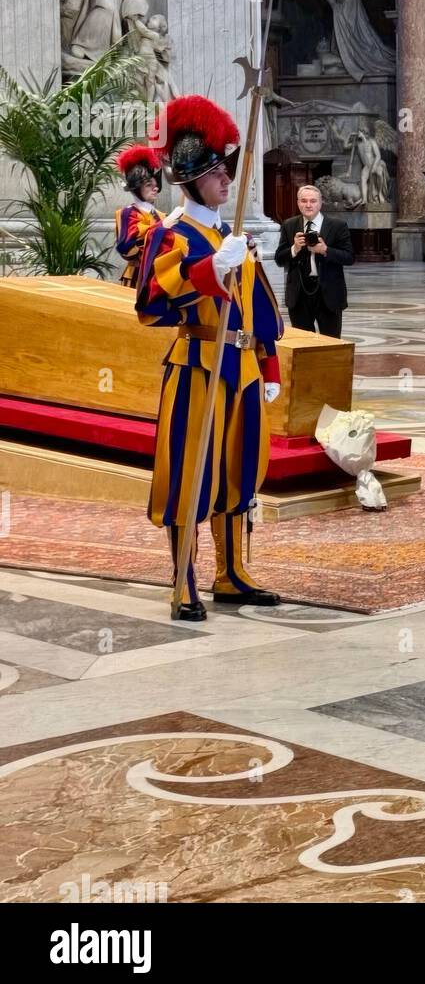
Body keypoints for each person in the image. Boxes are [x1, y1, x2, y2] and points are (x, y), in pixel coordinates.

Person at [135, 95, 284, 621]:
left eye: (227, 171)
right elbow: (152, 303)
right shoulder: (170, 234)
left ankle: (231, 573)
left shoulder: (231, 235)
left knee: (237, 469)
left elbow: (258, 311)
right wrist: (208, 271)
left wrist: (268, 367)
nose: (227, 181)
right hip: (196, 364)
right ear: (194, 179)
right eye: (218, 172)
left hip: (240, 368)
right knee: (188, 471)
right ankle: (183, 582)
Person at [274, 184, 354, 338]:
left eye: (313, 201)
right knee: (303, 343)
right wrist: (294, 249)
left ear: (320, 203)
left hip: (329, 294)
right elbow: (279, 259)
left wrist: (325, 250)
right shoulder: (289, 225)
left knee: (331, 343)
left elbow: (349, 257)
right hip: (299, 294)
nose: (308, 205)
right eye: (304, 201)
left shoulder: (338, 226)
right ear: (298, 203)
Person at [113, 144, 165, 289]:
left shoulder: (162, 216)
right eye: (149, 185)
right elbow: (126, 248)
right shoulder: (127, 213)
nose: (155, 188)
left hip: (159, 277)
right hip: (137, 278)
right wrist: (162, 230)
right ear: (136, 187)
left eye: (156, 184)